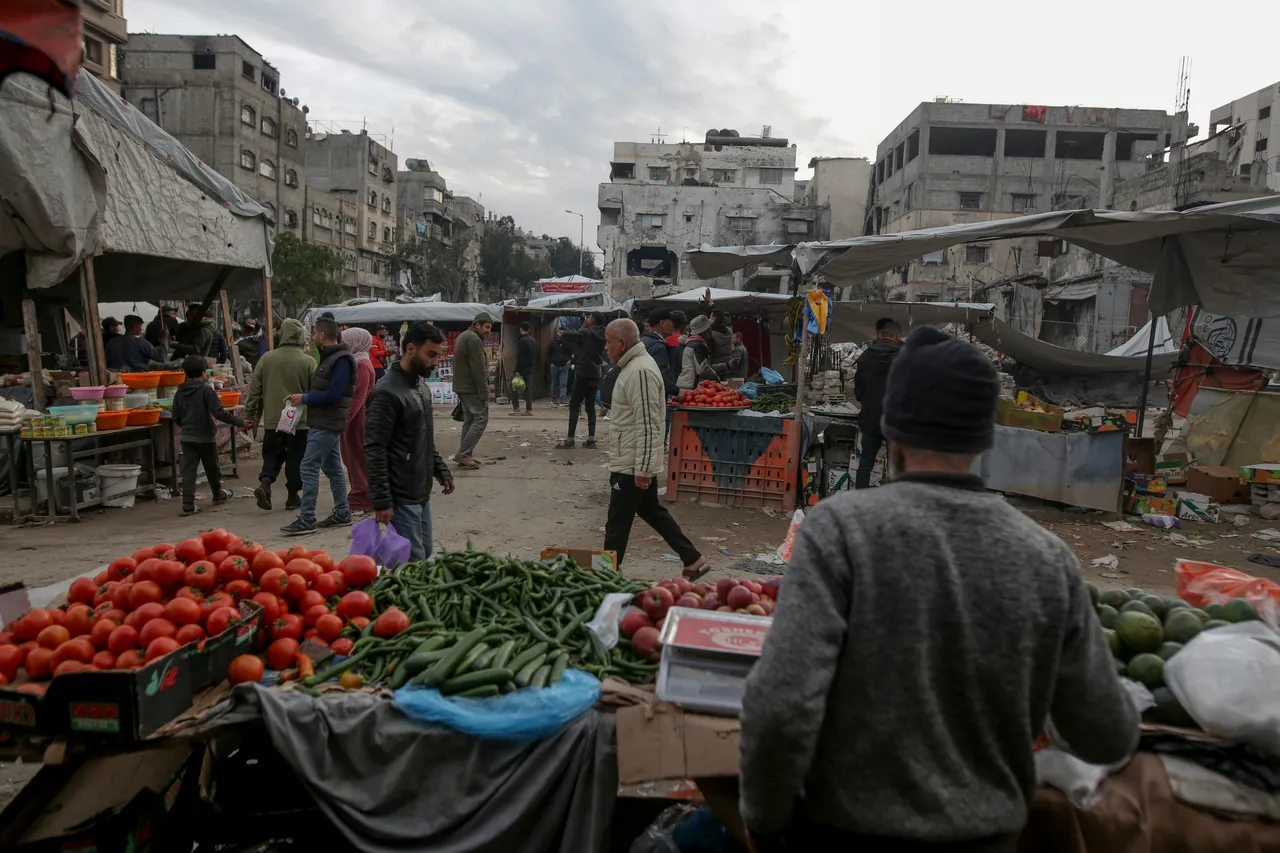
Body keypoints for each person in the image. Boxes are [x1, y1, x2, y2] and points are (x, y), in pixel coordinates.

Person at [738, 327, 1139, 852]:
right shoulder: (1046, 559)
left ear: (893, 430)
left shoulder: (841, 530)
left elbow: (782, 707)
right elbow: (1105, 732)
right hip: (988, 837)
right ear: (984, 437)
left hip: (845, 831)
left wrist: (765, 821)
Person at [602, 319, 706, 577]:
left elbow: (648, 424)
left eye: (608, 342)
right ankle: (693, 559)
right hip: (630, 456)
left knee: (617, 523)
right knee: (651, 511)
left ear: (622, 343)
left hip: (632, 462)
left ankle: (603, 576)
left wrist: (644, 468)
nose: (606, 347)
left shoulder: (640, 371)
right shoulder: (633, 367)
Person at [365, 322, 456, 562]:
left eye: (438, 355)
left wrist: (441, 470)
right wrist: (382, 500)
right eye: (431, 355)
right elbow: (375, 449)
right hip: (401, 496)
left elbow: (424, 438)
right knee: (412, 564)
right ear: (411, 350)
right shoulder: (386, 393)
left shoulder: (421, 389)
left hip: (420, 491)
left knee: (425, 554)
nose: (435, 362)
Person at [280, 317, 356, 535]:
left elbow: (334, 394)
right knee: (332, 469)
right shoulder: (329, 358)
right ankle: (342, 512)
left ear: (322, 335)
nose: (311, 337)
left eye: (313, 333)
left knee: (308, 466)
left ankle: (307, 518)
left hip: (328, 422)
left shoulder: (341, 360)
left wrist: (304, 398)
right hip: (324, 420)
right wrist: (303, 398)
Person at [244, 318, 316, 512]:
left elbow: (254, 390)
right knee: (296, 457)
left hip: (274, 420)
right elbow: (315, 392)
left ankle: (265, 484)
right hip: (300, 421)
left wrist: (249, 414)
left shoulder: (266, 359)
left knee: (271, 455)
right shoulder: (308, 361)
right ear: (301, 335)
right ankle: (293, 497)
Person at [171, 355, 244, 516]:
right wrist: (240, 422)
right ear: (204, 373)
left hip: (187, 437)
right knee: (212, 467)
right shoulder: (206, 390)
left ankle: (188, 503)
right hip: (205, 436)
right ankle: (218, 493)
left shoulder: (179, 392)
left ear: (185, 373)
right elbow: (219, 413)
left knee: (189, 469)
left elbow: (175, 416)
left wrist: (186, 426)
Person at [852, 318, 903, 490]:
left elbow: (858, 388)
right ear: (898, 336)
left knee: (865, 464)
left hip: (871, 419)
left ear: (879, 334)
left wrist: (866, 401)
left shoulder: (865, 356)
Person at [339, 327, 377, 514]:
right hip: (354, 417)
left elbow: (357, 397)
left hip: (356, 419)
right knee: (352, 457)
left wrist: (344, 420)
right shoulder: (357, 361)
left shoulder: (361, 364)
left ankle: (362, 497)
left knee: (356, 458)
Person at [557, 312, 607, 449]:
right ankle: (591, 438)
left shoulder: (587, 332)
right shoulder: (604, 333)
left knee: (574, 405)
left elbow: (568, 334)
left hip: (583, 372)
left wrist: (582, 327)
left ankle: (570, 439)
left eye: (589, 317)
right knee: (590, 406)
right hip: (596, 373)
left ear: (592, 320)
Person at [452, 312, 493, 470]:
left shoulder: (464, 336)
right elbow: (478, 368)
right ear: (477, 324)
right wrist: (484, 391)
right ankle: (463, 454)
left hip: (463, 386)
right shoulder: (474, 339)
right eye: (487, 327)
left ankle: (465, 454)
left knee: (469, 420)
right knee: (480, 419)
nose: (488, 331)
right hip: (471, 387)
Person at [641, 308, 678, 398]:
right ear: (663, 323)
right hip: (653, 396)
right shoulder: (658, 346)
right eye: (671, 322)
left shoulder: (643, 340)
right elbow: (659, 375)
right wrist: (676, 391)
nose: (674, 326)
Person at [676, 315, 718, 389]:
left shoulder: (690, 343)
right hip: (693, 387)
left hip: (685, 384)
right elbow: (702, 369)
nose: (710, 330)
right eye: (709, 328)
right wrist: (715, 376)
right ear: (705, 330)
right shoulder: (698, 345)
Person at [510, 321, 537, 416]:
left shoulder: (521, 341)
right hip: (530, 367)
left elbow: (520, 357)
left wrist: (517, 370)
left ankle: (516, 408)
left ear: (521, 329)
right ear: (529, 329)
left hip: (522, 368)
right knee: (528, 388)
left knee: (513, 386)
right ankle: (529, 410)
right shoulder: (533, 340)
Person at [546, 326, 573, 406]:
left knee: (563, 383)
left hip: (565, 366)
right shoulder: (552, 342)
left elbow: (572, 353)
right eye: (560, 332)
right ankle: (554, 399)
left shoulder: (568, 343)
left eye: (563, 333)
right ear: (557, 332)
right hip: (554, 365)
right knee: (554, 383)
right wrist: (550, 363)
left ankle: (563, 399)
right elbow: (548, 354)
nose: (561, 334)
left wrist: (570, 360)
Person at [707, 308, 733, 376]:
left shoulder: (711, 334)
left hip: (715, 367)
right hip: (728, 365)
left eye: (710, 317)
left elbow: (710, 353)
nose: (709, 319)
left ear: (714, 318)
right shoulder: (729, 331)